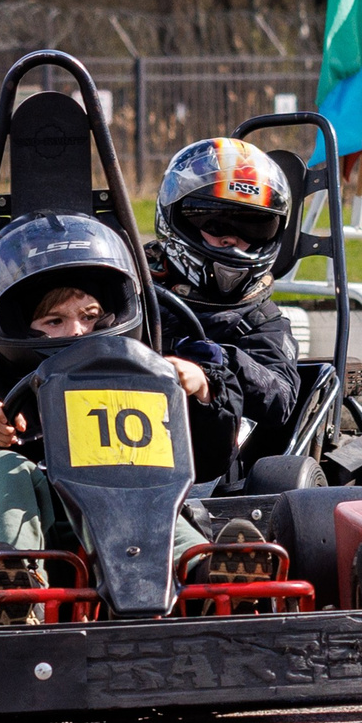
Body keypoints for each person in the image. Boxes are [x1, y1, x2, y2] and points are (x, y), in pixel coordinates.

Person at [0, 211, 208, 613]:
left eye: (89, 317)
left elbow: (212, 459)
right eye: (55, 320)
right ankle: (8, 586)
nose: (77, 331)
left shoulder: (141, 382)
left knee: (149, 488)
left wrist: (199, 395)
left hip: (127, 528)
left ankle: (205, 572)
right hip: (34, 522)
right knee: (3, 466)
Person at [143, 137, 304, 481]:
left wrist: (222, 362)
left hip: (211, 468)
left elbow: (281, 398)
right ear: (177, 218)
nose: (233, 240)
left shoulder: (261, 320)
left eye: (254, 226)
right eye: (217, 225)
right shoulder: (132, 290)